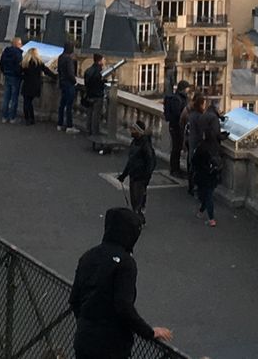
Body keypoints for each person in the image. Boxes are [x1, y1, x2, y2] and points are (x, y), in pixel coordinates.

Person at [69, 207, 172, 359]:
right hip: (112, 345)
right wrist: (149, 332)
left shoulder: (88, 256)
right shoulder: (125, 264)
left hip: (85, 338)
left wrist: (87, 323)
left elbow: (74, 300)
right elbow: (123, 306)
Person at [118, 120, 156, 224]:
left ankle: (138, 220)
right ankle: (138, 219)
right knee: (135, 201)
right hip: (134, 175)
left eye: (133, 129)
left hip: (140, 177)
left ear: (139, 132)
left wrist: (146, 177)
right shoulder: (135, 142)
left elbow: (150, 163)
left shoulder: (145, 146)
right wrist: (124, 174)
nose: (131, 131)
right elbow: (131, 161)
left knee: (137, 201)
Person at [20, 48, 57, 125]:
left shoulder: (25, 63)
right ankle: (32, 118)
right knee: (29, 102)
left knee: (26, 102)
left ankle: (27, 118)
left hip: (27, 84)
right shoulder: (39, 63)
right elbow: (47, 71)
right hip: (35, 85)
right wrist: (55, 76)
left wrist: (24, 77)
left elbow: (20, 72)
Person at [163, 80, 190, 177]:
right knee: (176, 148)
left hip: (176, 126)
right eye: (187, 88)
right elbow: (178, 114)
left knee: (177, 148)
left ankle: (176, 168)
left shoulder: (179, 98)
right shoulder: (177, 99)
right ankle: (174, 170)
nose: (188, 90)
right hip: (176, 127)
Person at [192, 138, 219, 227]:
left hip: (202, 177)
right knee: (208, 195)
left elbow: (193, 162)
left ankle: (210, 218)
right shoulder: (213, 149)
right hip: (211, 176)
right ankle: (202, 212)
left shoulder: (200, 149)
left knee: (206, 196)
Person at [186, 94, 207, 195]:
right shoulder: (199, 116)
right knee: (197, 165)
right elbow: (202, 130)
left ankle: (190, 186)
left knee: (191, 163)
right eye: (204, 104)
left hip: (191, 141)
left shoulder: (191, 114)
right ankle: (196, 186)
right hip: (197, 142)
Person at [0, 37, 23, 124]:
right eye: (20, 44)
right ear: (18, 44)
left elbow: (1, 63)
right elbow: (19, 67)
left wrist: (5, 72)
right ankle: (12, 117)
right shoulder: (18, 54)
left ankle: (4, 117)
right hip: (15, 77)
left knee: (6, 97)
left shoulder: (6, 52)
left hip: (7, 75)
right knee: (14, 98)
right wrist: (20, 74)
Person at [57, 42, 79, 133]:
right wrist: (75, 82)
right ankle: (69, 126)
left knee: (62, 105)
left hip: (62, 82)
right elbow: (70, 73)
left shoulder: (61, 57)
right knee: (69, 105)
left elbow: (59, 70)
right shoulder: (69, 59)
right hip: (69, 84)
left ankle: (60, 123)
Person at [83, 53, 106, 136]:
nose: (104, 61)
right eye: (103, 59)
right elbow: (101, 83)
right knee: (95, 117)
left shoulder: (88, 70)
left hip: (89, 95)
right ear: (100, 61)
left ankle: (88, 131)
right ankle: (94, 134)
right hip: (98, 96)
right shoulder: (100, 72)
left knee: (89, 114)